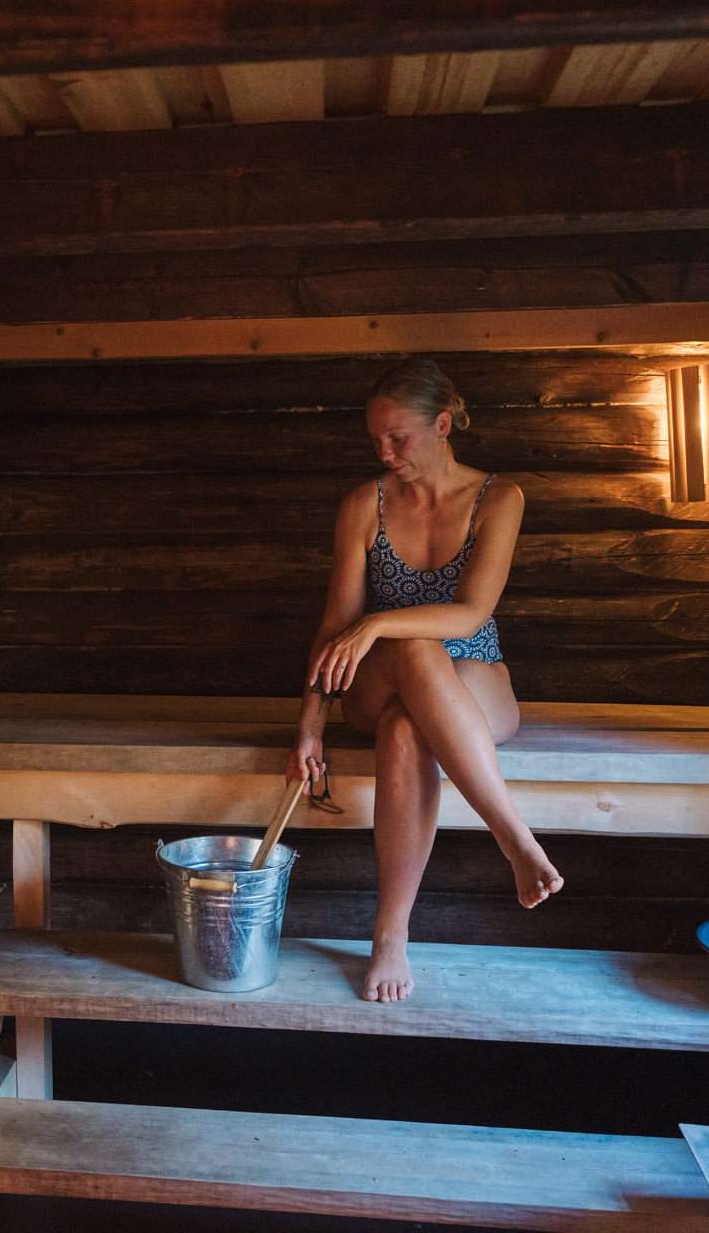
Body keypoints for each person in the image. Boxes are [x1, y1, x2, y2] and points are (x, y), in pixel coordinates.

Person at [289, 359, 563, 1003]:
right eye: (376, 440)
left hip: (472, 672)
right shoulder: (365, 506)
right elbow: (335, 625)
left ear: (442, 425)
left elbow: (471, 613)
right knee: (413, 653)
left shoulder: (500, 498)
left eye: (398, 437)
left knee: (407, 725)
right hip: (379, 679)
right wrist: (309, 726)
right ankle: (513, 838)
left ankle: (390, 935)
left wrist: (379, 621)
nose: (385, 453)